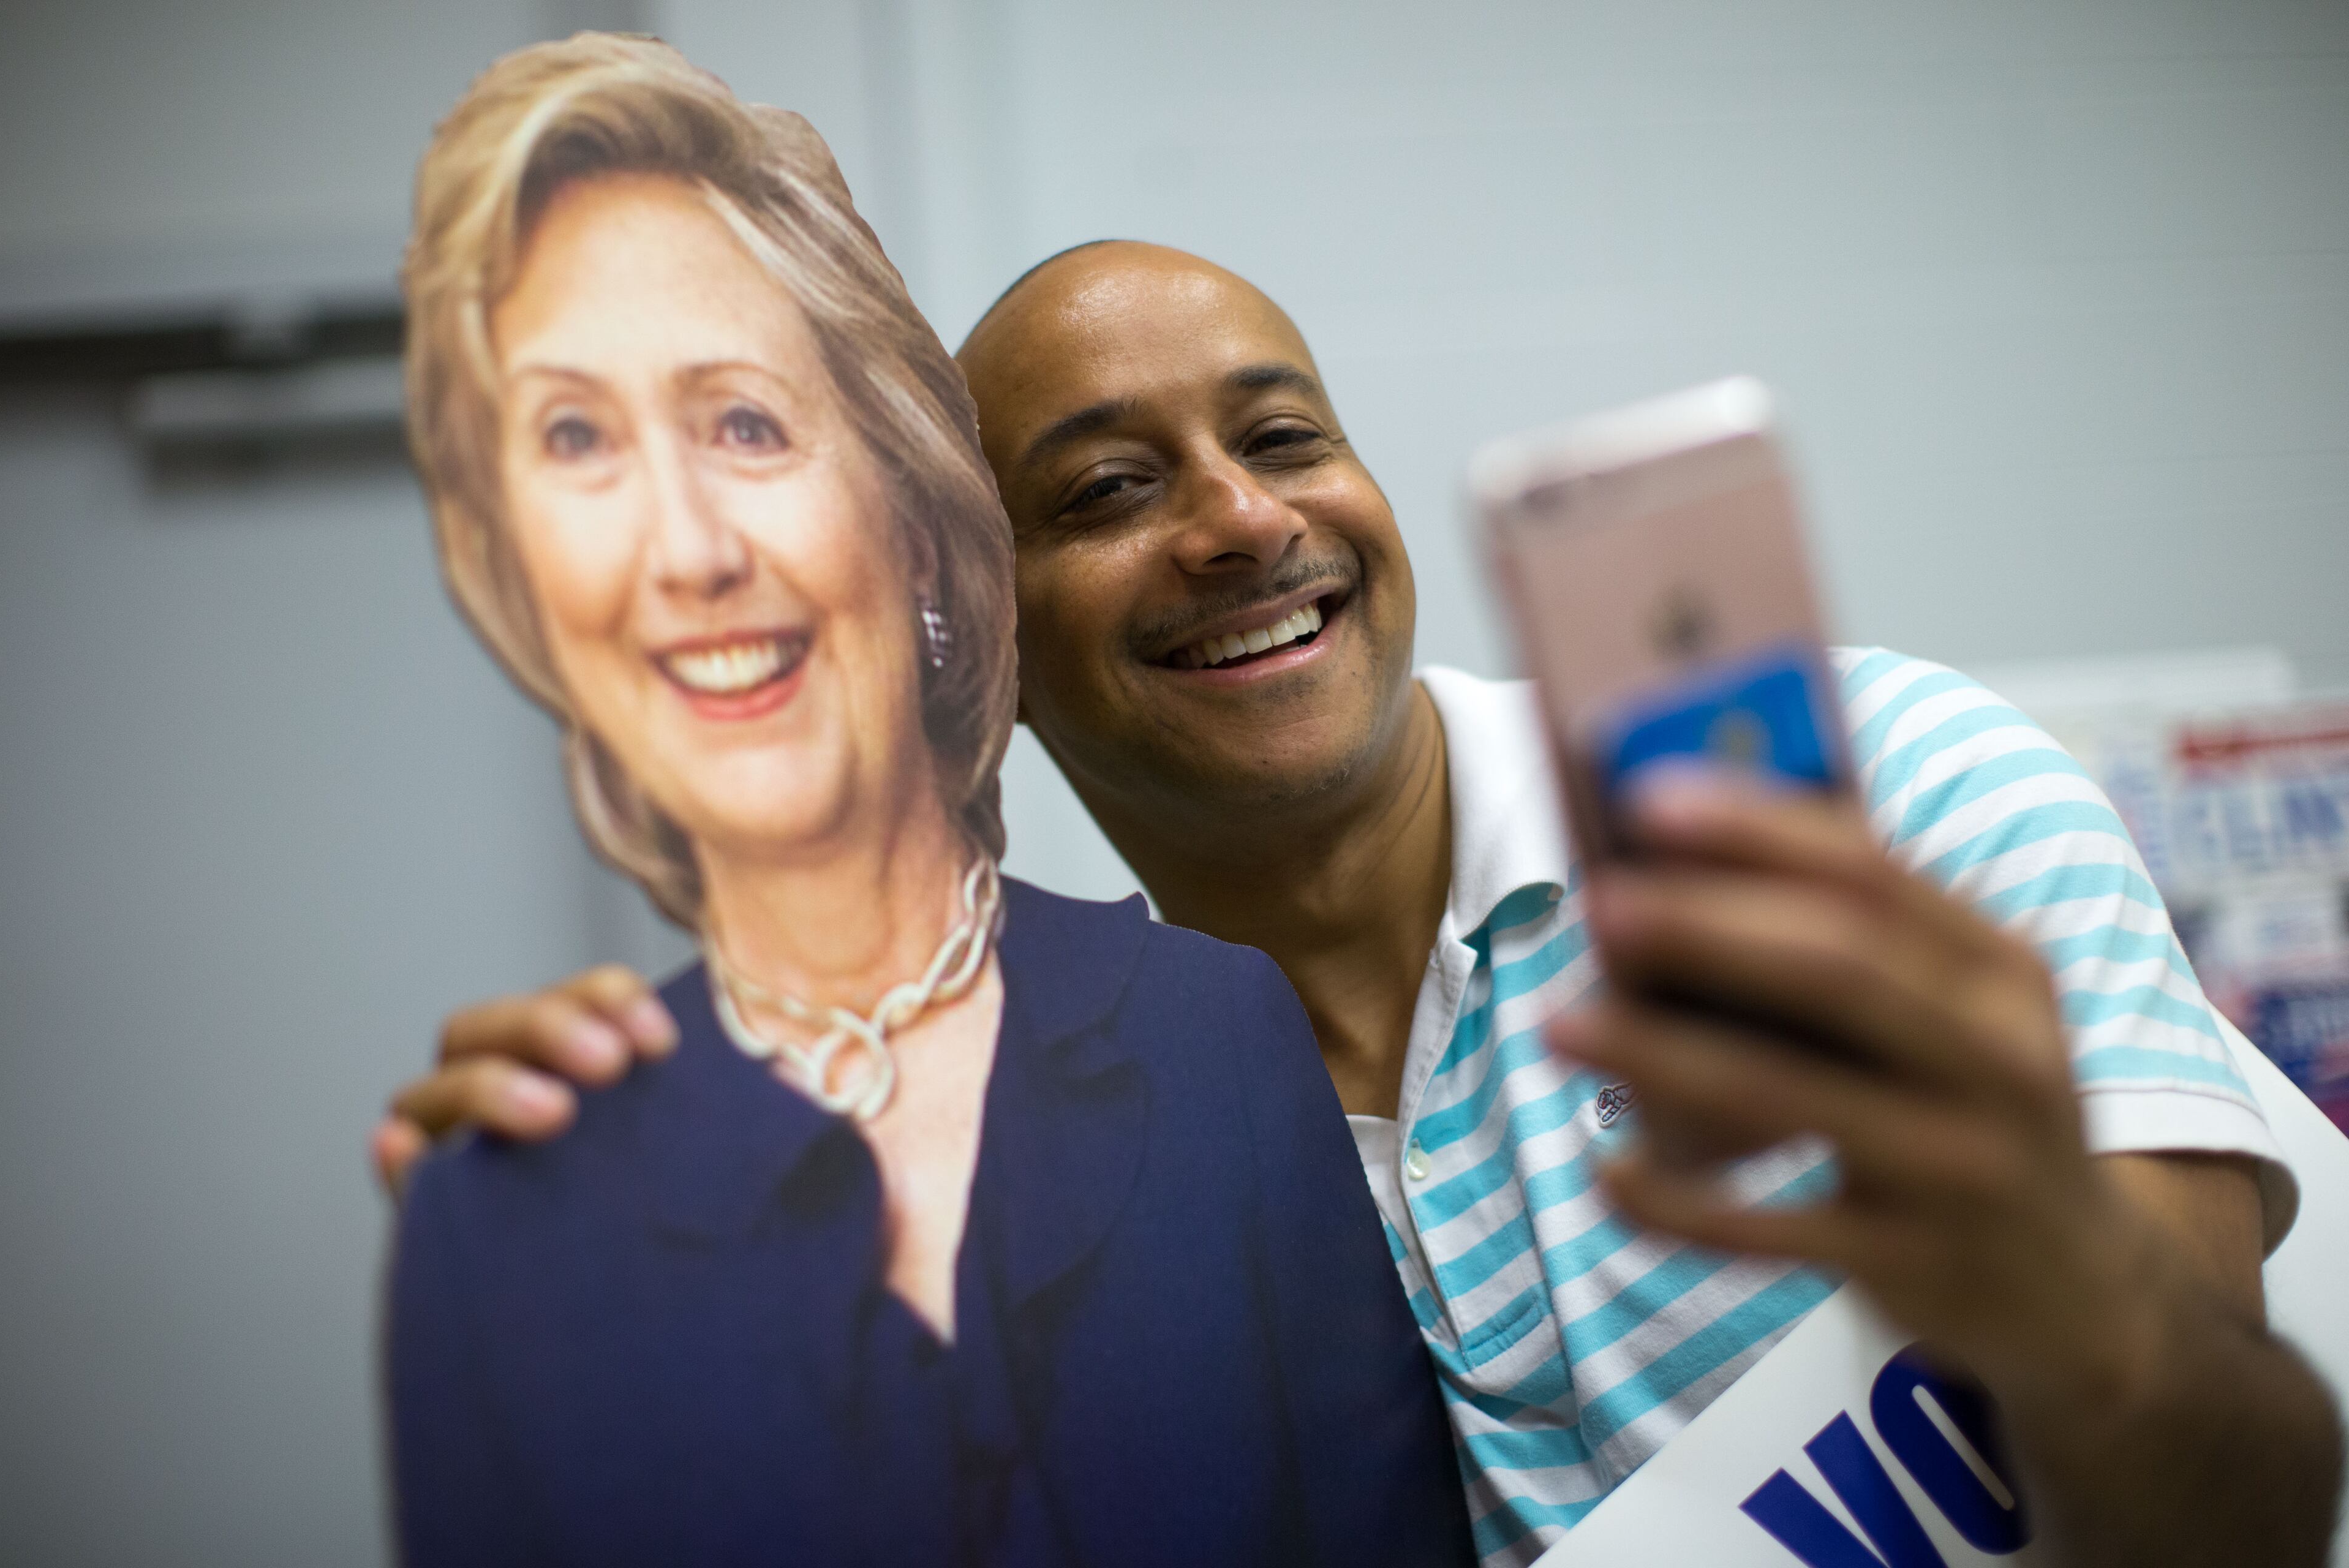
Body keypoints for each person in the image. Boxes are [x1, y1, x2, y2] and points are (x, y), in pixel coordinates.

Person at [384, 234, 2346, 1567]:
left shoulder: (1883, 806)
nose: (1242, 522)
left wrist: (2061, 1295)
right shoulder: (1068, 1164)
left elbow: (2256, 1509)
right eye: (1102, 491)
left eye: (1284, 435)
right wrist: (594, 1240)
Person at [383, 40, 1472, 1568]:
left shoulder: (1218, 1038)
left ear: (909, 515)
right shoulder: (499, 1213)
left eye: (745, 425)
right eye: (579, 449)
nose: (685, 545)